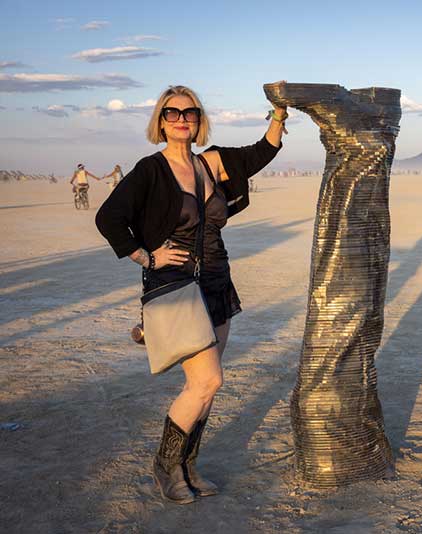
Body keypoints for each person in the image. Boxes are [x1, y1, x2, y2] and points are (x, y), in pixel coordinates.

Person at [95, 84, 287, 504]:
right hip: (176, 284)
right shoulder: (151, 170)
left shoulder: (212, 163)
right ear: (161, 121)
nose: (182, 118)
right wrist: (145, 256)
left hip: (217, 280)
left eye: (190, 112)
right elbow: (108, 217)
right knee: (207, 379)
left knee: (207, 387)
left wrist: (278, 115)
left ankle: (188, 464)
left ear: (199, 119)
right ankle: (165, 468)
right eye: (172, 112)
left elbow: (260, 153)